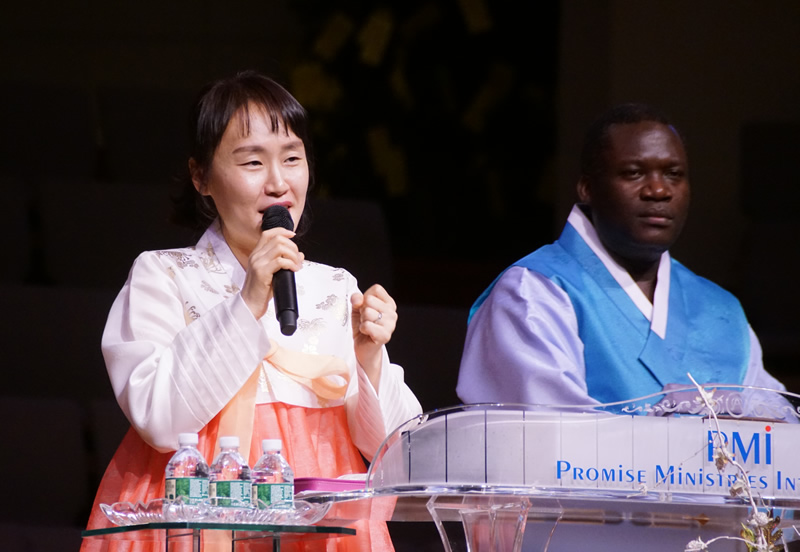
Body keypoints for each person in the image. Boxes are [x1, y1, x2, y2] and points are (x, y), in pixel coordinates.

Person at [81, 70, 422, 551]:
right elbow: (158, 418)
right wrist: (246, 303)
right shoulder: (164, 275)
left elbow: (397, 456)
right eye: (253, 162)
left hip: (319, 533)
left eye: (292, 158)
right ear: (201, 177)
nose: (278, 183)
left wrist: (369, 359)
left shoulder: (336, 288)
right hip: (192, 519)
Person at [457, 103, 785, 408]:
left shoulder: (721, 311)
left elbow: (777, 427)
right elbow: (549, 433)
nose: (658, 190)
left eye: (673, 174)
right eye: (634, 173)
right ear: (587, 188)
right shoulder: (534, 292)